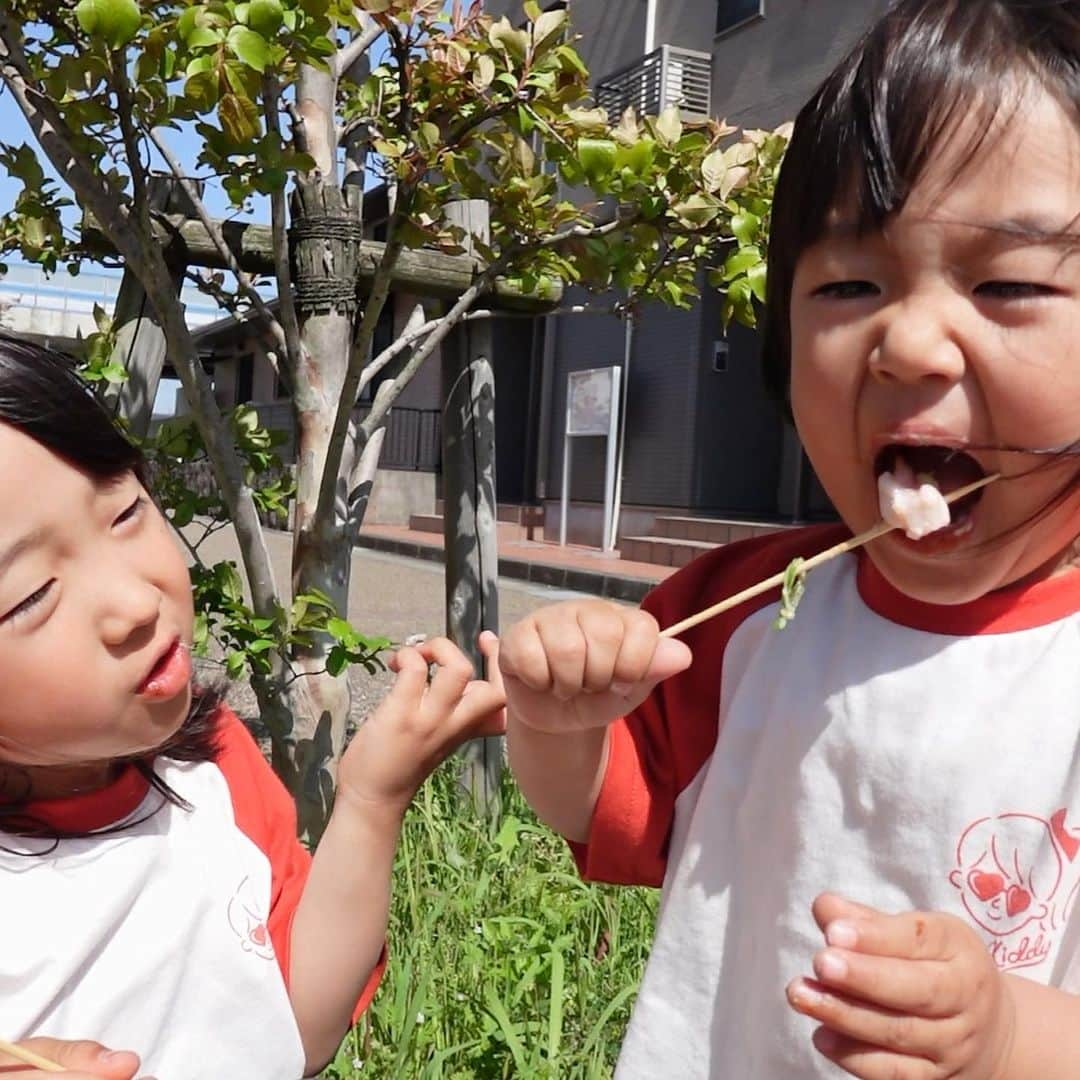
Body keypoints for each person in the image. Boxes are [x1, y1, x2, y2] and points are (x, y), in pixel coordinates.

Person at [498, 1, 1080, 1076]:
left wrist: (1004, 1035)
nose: (908, 343)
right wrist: (556, 723)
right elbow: (607, 810)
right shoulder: (745, 612)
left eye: (1009, 285)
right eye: (850, 286)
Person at [0, 334, 505, 1079]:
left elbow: (296, 1026)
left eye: (125, 513)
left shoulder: (213, 761)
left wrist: (372, 798)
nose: (137, 603)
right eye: (32, 596)